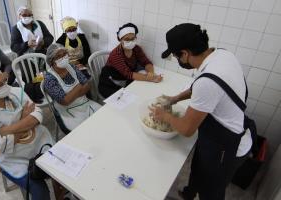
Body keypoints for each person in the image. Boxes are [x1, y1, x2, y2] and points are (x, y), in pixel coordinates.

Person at [150, 23, 252, 200]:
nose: (178, 60)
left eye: (176, 56)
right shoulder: (220, 55)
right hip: (213, 137)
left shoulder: (208, 82)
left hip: (228, 146)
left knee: (211, 191)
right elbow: (198, 87)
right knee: (198, 167)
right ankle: (189, 194)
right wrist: (174, 99)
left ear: (185, 54)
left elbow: (187, 130)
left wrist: (164, 115)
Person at [0, 68, 54, 200]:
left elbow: (38, 114)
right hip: (14, 159)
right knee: (41, 193)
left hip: (40, 141)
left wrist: (5, 130)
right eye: (0, 85)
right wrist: (25, 120)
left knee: (60, 172)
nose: (5, 85)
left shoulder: (16, 92)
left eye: (4, 80)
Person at [44, 43, 101, 132]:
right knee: (82, 132)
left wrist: (71, 95)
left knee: (101, 119)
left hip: (85, 103)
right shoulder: (49, 78)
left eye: (64, 54)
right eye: (59, 57)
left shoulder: (71, 66)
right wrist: (78, 87)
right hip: (67, 111)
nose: (63, 58)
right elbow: (65, 101)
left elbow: (87, 86)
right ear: (51, 61)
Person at [98, 23, 162, 98]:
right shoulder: (116, 54)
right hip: (110, 83)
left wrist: (151, 73)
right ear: (120, 39)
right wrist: (151, 78)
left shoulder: (136, 49)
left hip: (125, 80)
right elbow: (128, 74)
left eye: (133, 39)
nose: (131, 42)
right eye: (127, 39)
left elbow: (146, 62)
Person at [10, 6, 54, 103]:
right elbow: (14, 47)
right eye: (24, 15)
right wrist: (26, 44)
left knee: (42, 75)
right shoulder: (16, 28)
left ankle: (41, 91)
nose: (27, 17)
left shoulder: (39, 24)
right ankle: (32, 98)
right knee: (29, 78)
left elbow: (50, 37)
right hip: (25, 57)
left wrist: (43, 42)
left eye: (30, 15)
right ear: (19, 16)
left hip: (40, 53)